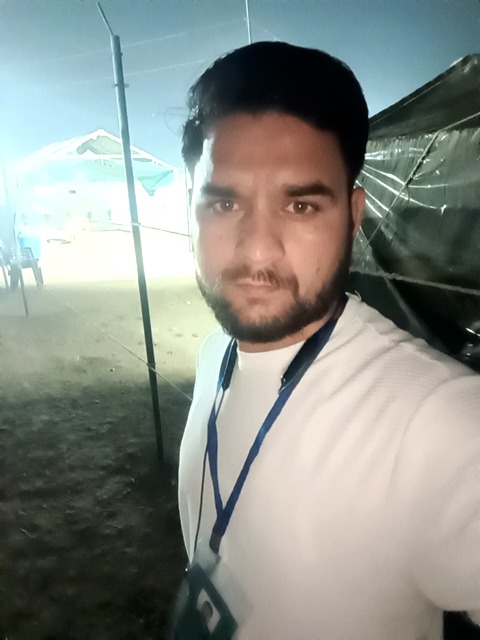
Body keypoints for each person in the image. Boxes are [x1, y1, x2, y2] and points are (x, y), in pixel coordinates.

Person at [173, 41, 480, 640]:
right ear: (191, 207)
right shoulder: (216, 357)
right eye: (225, 202)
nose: (257, 249)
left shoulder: (440, 422)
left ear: (354, 214)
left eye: (300, 205)